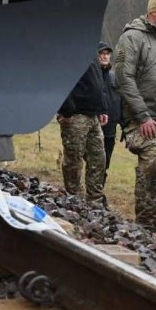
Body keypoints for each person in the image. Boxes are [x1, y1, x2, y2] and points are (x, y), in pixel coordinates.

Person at [114, 0, 156, 228]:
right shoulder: (132, 37)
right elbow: (123, 78)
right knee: (152, 168)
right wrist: (142, 116)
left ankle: (155, 225)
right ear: (153, 12)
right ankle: (145, 225)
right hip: (143, 119)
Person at [56, 58, 110, 203]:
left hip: (93, 114)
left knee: (98, 158)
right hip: (75, 114)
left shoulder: (91, 47)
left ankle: (95, 199)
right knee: (74, 158)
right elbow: (60, 77)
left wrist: (103, 107)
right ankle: (74, 198)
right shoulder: (69, 47)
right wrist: (66, 110)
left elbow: (98, 80)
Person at [96, 41, 121, 175]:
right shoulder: (90, 75)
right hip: (92, 126)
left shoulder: (114, 78)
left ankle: (98, 192)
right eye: (101, 54)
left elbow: (120, 101)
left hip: (110, 128)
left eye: (107, 54)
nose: (105, 57)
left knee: (105, 163)